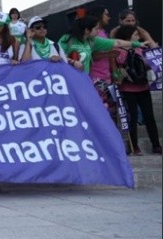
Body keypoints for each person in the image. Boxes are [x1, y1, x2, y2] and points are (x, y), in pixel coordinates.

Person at [58, 15, 147, 116]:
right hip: (69, 83)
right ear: (87, 30)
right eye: (96, 29)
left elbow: (116, 42)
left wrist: (137, 44)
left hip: (84, 81)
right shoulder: (67, 39)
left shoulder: (92, 41)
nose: (98, 32)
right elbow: (55, 55)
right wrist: (72, 62)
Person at [113, 24, 162, 155]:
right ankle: (138, 146)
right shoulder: (122, 51)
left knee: (147, 117)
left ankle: (152, 145)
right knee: (134, 119)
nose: (138, 37)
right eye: (136, 35)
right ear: (128, 37)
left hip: (139, 87)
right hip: (131, 89)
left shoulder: (136, 49)